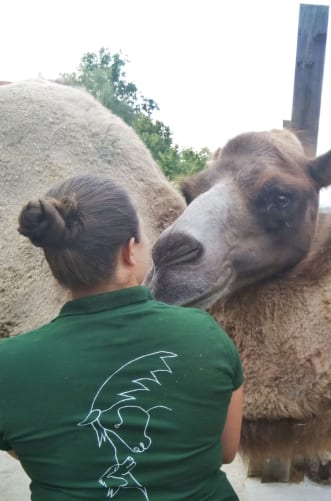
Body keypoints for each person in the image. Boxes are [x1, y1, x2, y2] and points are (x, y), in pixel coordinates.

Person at [0, 174, 244, 500]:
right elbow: (227, 450)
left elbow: (30, 448)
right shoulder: (205, 334)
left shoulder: (9, 364)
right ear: (130, 251)